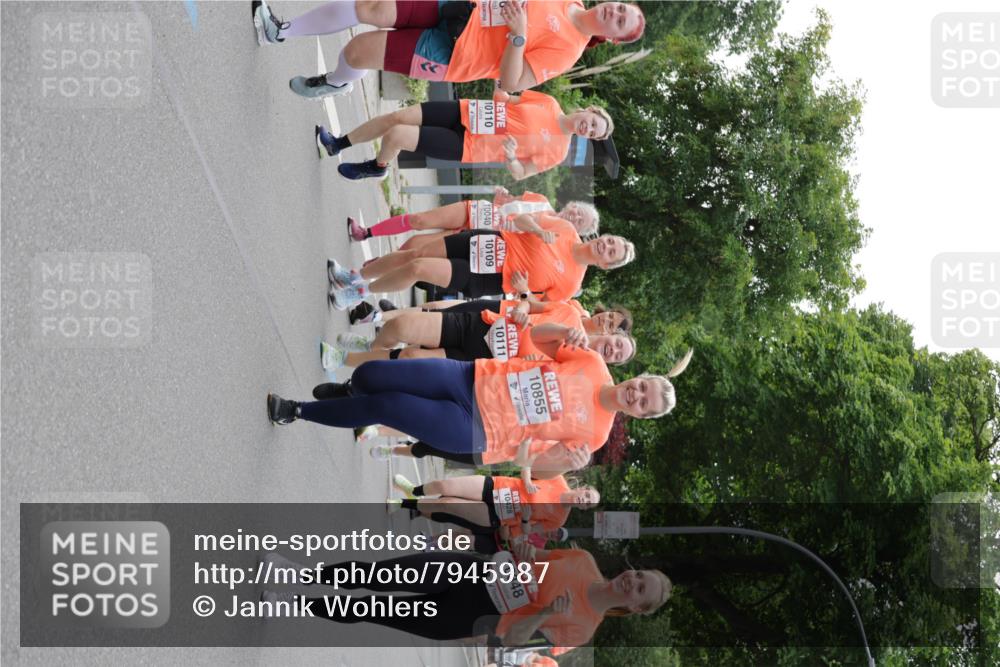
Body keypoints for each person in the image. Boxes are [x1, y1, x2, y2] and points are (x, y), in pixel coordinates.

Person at [266, 347, 694, 474]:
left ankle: (296, 410)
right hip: (471, 377)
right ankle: (349, 392)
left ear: (637, 416)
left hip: (478, 430)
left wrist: (561, 461)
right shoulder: (594, 363)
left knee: (387, 406)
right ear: (640, 376)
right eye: (643, 387)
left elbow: (536, 469)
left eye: (642, 404)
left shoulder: (594, 437)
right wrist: (562, 331)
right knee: (378, 374)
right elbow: (543, 340)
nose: (635, 395)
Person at [260, 543, 672, 648]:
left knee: (373, 606)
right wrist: (525, 550)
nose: (630, 581)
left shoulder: (583, 630)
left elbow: (512, 640)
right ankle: (297, 572)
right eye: (638, 575)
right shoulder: (583, 560)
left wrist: (546, 610)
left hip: (473, 616)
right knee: (380, 573)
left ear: (635, 607)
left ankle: (291, 601)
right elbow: (527, 552)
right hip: (475, 571)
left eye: (639, 589)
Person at [252, 0, 645, 96]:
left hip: (455, 52)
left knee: (357, 52)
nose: (615, 11)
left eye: (621, 20)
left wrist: (519, 34)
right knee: (372, 6)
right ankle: (280, 30)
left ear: (611, 37)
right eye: (622, 7)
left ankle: (337, 83)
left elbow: (512, 83)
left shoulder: (568, 50)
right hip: (461, 6)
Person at [325, 214, 633, 311]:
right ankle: (356, 276)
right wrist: (537, 229)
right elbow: (521, 218)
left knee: (419, 269)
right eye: (610, 240)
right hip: (489, 241)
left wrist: (524, 293)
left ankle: (362, 293)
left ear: (605, 265)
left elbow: (536, 310)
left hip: (487, 277)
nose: (605, 246)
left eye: (611, 252)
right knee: (414, 254)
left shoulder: (571, 284)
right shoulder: (566, 230)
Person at [313, 89, 613, 181]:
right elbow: (508, 99)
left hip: (468, 145)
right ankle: (338, 143)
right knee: (397, 116)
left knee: (398, 135)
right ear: (589, 110)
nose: (587, 128)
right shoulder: (549, 102)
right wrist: (502, 93)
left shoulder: (558, 151)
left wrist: (510, 156)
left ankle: (377, 167)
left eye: (593, 133)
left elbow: (521, 173)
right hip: (467, 112)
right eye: (592, 122)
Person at [319, 294, 637, 369]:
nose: (610, 340)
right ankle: (372, 341)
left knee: (410, 357)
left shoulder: (580, 368)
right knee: (408, 324)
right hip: (487, 321)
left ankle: (346, 359)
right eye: (615, 339)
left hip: (484, 364)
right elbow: (530, 303)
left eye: (617, 355)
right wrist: (522, 310)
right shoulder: (571, 309)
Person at [346, 187, 599, 246]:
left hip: (477, 239)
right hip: (479, 212)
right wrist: (503, 196)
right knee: (420, 220)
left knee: (415, 247)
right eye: (579, 211)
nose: (575, 215)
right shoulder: (540, 199)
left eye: (580, 222)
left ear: (576, 231)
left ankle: (367, 272)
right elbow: (507, 204)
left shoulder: (550, 239)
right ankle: (366, 233)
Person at [387, 472, 598, 542]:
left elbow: (526, 532)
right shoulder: (557, 478)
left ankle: (403, 504)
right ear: (583, 489)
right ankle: (413, 491)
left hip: (497, 515)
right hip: (497, 486)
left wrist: (525, 519)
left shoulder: (560, 520)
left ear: (584, 509)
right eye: (587, 496)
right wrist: (527, 480)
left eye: (588, 504)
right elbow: (527, 464)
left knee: (447, 504)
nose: (584, 500)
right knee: (446, 486)